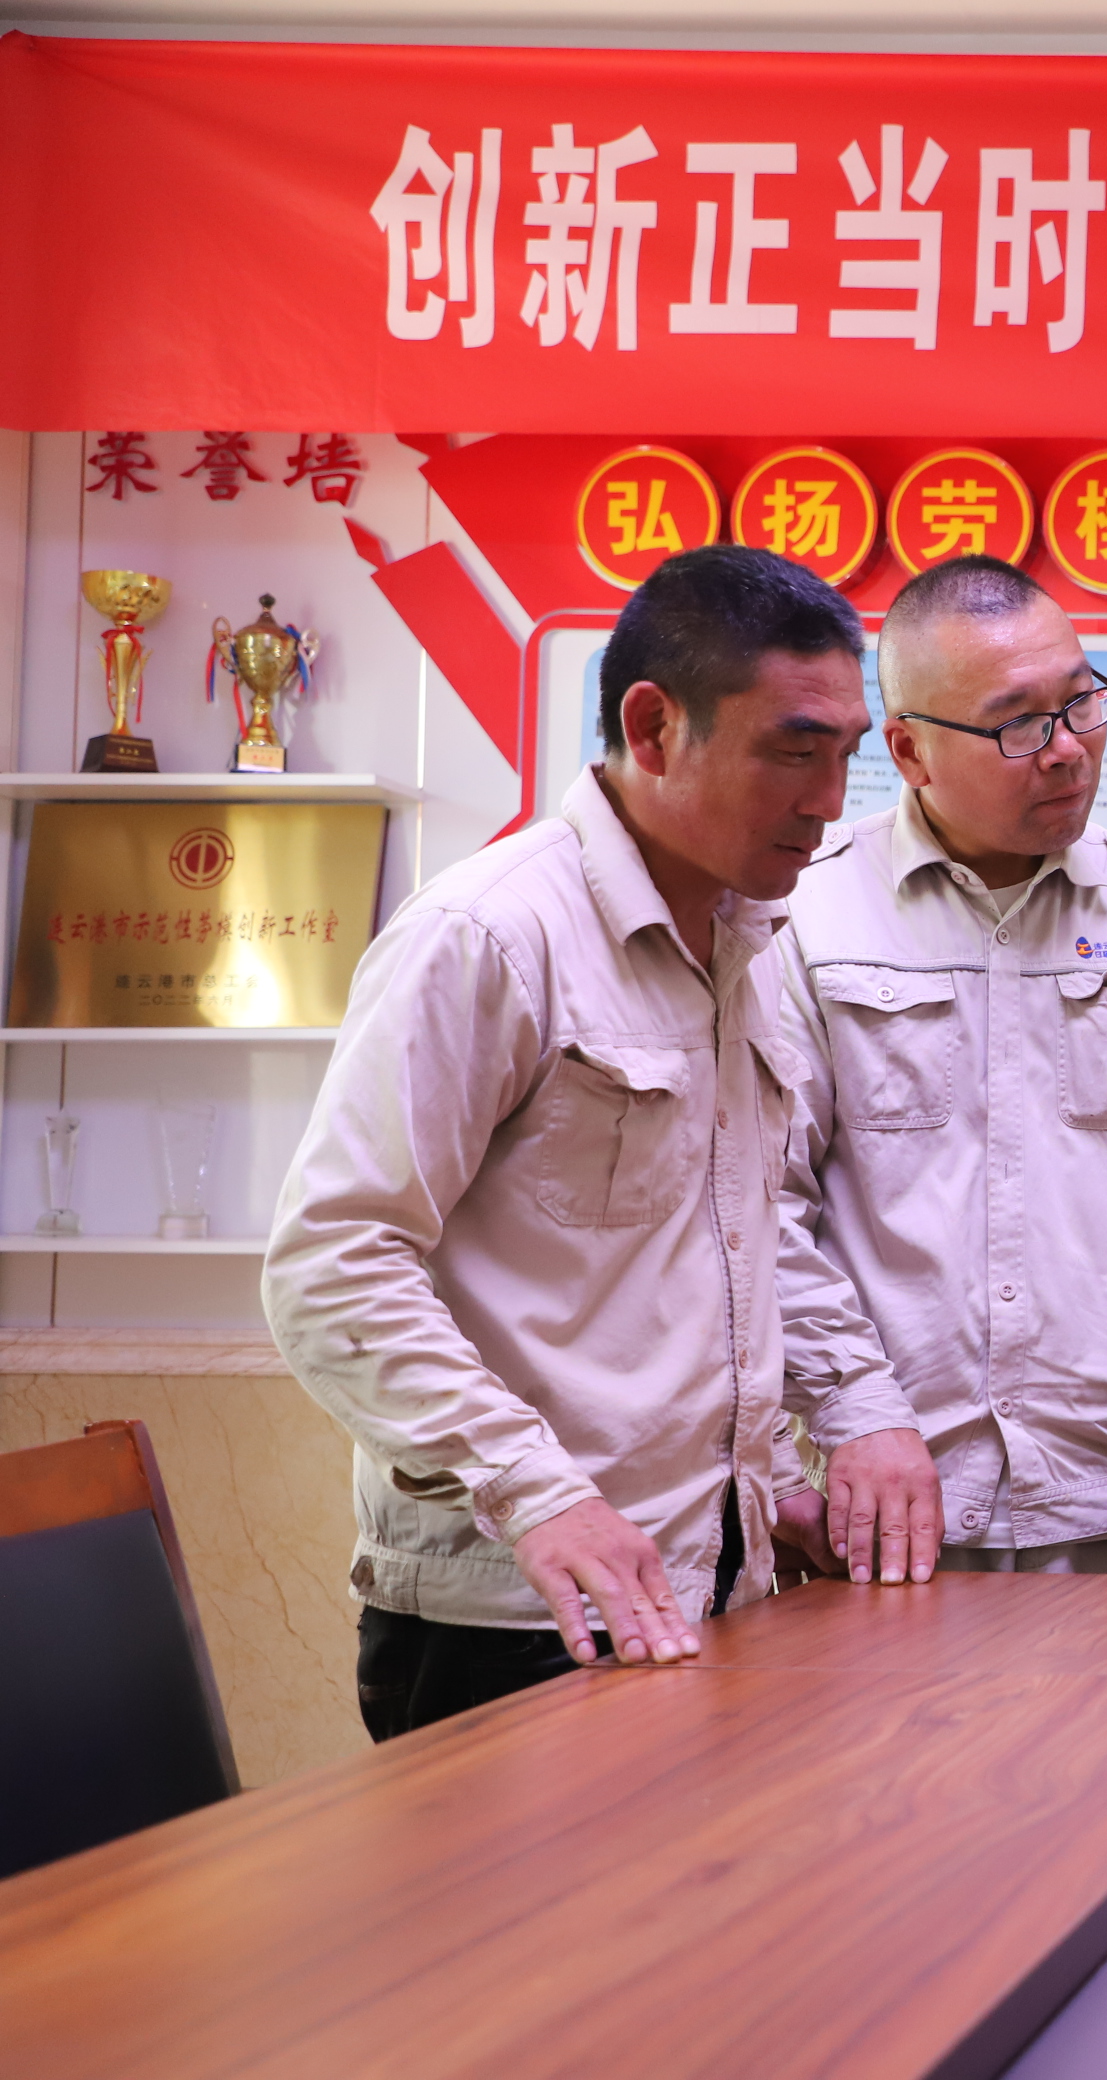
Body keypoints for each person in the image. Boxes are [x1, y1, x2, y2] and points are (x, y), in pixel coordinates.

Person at [265, 545, 936, 1740]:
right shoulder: (490, 935)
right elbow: (332, 1265)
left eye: (848, 755)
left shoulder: (749, 942)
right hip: (523, 1618)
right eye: (795, 751)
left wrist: (766, 1491)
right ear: (653, 726)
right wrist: (540, 1496)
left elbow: (713, 1249)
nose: (832, 800)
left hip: (714, 1592)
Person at [768, 556, 1107, 1579]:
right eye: (1019, 725)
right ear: (909, 750)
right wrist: (854, 1405)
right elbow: (758, 1199)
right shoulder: (806, 913)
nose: (1068, 750)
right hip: (890, 1497)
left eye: (1081, 703)